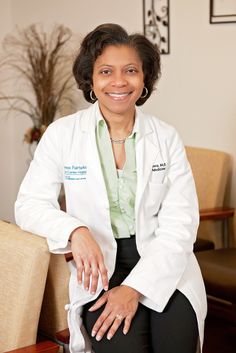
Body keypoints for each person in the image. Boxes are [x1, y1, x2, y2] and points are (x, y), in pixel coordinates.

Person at [15, 23, 207, 353]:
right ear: (91, 78)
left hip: (166, 261)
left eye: (130, 70)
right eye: (106, 71)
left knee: (177, 343)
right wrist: (75, 230)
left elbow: (181, 224)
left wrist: (134, 288)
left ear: (145, 77)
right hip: (101, 266)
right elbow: (29, 204)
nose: (119, 82)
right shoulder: (63, 135)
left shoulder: (165, 137)